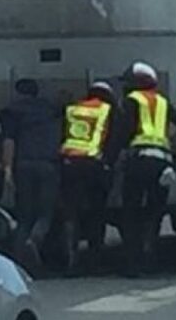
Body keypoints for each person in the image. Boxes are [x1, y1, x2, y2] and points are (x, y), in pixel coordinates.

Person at [59, 80, 123, 276]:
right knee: (97, 213)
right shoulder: (107, 110)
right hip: (94, 166)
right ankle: (95, 258)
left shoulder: (73, 109)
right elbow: (114, 140)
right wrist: (108, 164)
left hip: (70, 165)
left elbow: (63, 135)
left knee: (71, 214)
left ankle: (70, 257)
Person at [120, 61, 176, 277]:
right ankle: (150, 256)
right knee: (155, 211)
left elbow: (124, 131)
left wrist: (113, 156)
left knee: (131, 211)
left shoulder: (132, 101)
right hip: (162, 161)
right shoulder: (163, 101)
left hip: (139, 161)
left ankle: (133, 263)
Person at [0, 78, 62, 272]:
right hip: (49, 165)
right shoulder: (51, 110)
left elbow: (9, 141)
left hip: (24, 165)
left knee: (24, 215)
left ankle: (20, 264)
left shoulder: (12, 112)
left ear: (18, 92)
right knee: (45, 213)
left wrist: (7, 169)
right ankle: (35, 240)